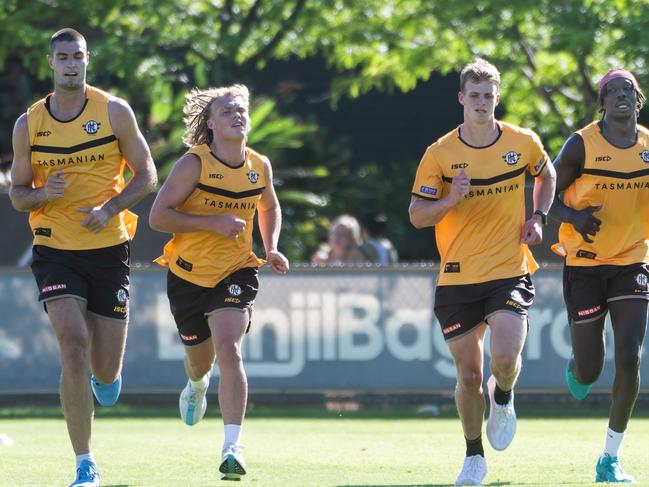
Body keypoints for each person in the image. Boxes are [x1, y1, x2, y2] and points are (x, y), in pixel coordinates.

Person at [9, 28, 157, 487]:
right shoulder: (29, 123)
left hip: (108, 247)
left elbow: (147, 174)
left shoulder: (113, 111)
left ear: (87, 60)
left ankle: (104, 381)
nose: (71, 64)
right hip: (54, 248)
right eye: (62, 57)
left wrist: (110, 208)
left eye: (77, 56)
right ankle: (84, 463)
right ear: (50, 63)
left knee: (106, 374)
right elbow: (16, 195)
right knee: (72, 344)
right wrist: (39, 194)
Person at [409, 58, 556, 486]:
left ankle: (504, 396)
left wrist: (539, 217)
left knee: (506, 357)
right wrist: (451, 199)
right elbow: (417, 215)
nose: (481, 102)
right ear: (461, 98)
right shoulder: (440, 154)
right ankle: (474, 456)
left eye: (488, 96)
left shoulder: (521, 141)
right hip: (457, 276)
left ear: (497, 98)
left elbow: (545, 173)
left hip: (509, 268)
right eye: (474, 95)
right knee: (469, 375)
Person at [149, 84, 289, 481]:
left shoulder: (259, 165)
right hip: (188, 274)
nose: (237, 115)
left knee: (230, 348)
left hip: (237, 269)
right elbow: (159, 217)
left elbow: (270, 204)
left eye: (241, 109)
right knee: (201, 361)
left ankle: (233, 447)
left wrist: (272, 247)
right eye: (227, 111)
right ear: (211, 124)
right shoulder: (194, 164)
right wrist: (213, 223)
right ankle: (195, 384)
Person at [550, 68, 648, 483]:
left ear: (638, 101)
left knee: (630, 356)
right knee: (591, 370)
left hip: (633, 260)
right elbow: (544, 192)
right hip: (586, 264)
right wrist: (572, 215)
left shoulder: (648, 146)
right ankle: (579, 367)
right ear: (602, 103)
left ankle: (610, 458)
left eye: (629, 89)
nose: (622, 95)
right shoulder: (580, 145)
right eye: (613, 91)